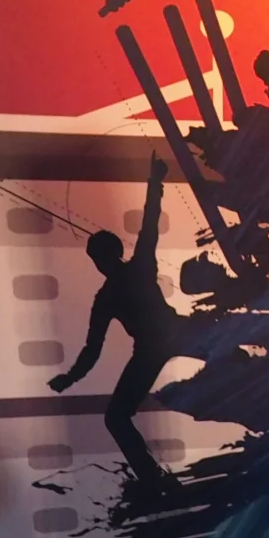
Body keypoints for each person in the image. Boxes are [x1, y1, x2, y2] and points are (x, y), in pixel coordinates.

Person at [50, 156, 183, 486]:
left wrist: (70, 378)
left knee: (116, 418)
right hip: (171, 337)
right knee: (115, 417)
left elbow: (92, 349)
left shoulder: (111, 292)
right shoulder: (130, 275)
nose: (99, 263)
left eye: (98, 258)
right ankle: (152, 480)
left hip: (161, 342)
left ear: (101, 259)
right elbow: (149, 222)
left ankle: (152, 480)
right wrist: (155, 181)